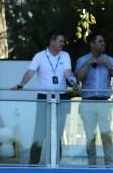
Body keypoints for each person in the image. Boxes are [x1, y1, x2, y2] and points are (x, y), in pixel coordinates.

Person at [12, 30, 77, 164]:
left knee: (57, 132)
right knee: (39, 131)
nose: (62, 44)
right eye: (60, 41)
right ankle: (33, 164)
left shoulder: (65, 55)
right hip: (44, 97)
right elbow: (30, 72)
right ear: (52, 41)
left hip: (61, 97)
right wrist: (22, 84)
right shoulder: (40, 56)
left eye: (63, 41)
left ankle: (55, 163)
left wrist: (74, 82)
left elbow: (68, 72)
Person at [75, 33, 113, 166]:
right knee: (90, 137)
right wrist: (88, 64)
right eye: (100, 41)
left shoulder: (110, 60)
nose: (103, 44)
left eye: (104, 41)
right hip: (88, 102)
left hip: (104, 103)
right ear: (92, 44)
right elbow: (77, 79)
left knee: (106, 136)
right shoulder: (82, 60)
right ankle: (92, 165)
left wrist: (109, 66)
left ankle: (110, 165)